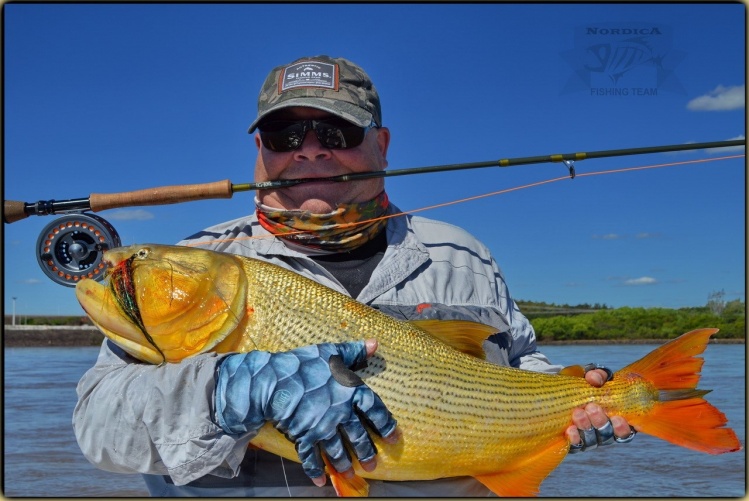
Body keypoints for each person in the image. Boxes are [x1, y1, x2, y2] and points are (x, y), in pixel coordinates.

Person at [73, 55, 636, 497]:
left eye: (336, 132)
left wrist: (576, 398)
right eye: (285, 136)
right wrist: (222, 394)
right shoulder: (201, 260)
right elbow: (100, 431)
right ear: (259, 150)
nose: (311, 151)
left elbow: (522, 368)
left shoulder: (463, 257)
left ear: (382, 144)